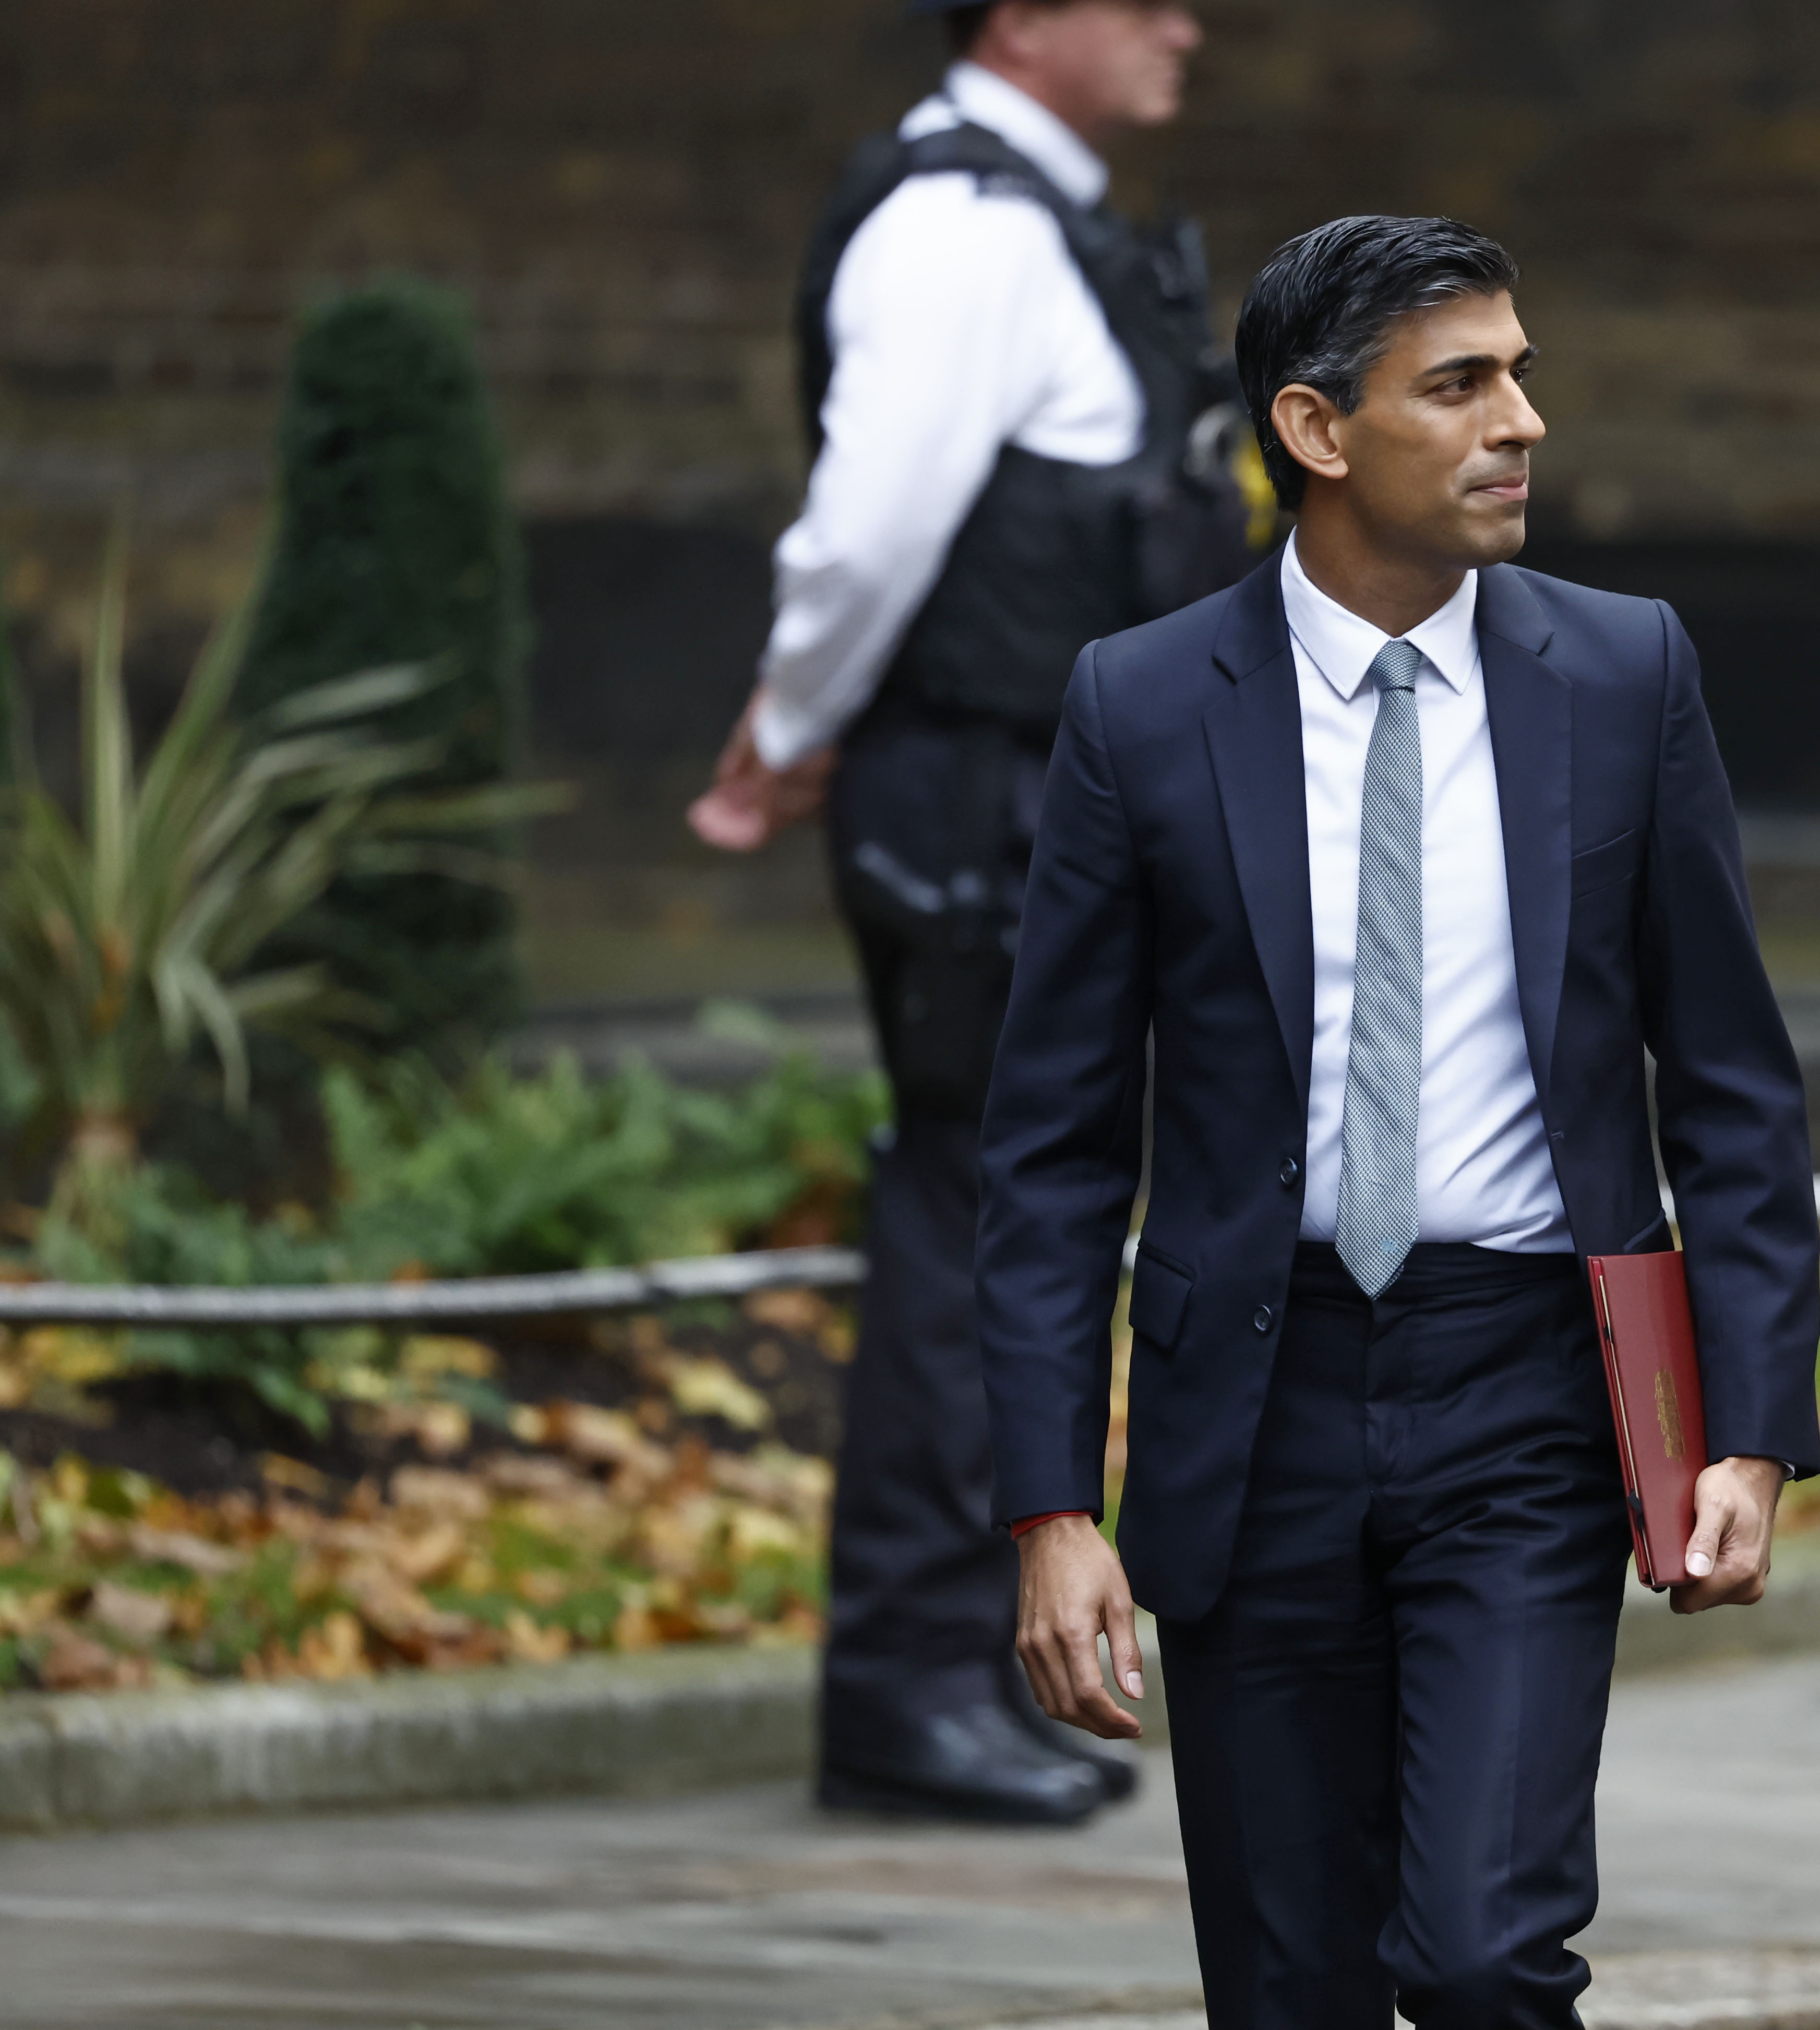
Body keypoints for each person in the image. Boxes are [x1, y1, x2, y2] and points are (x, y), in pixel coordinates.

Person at [976, 217, 1820, 2028]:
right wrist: (1049, 1505)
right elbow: (1048, 1149)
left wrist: (1743, 1432)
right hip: (1247, 1406)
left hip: (1521, 1388)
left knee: (1482, 1955)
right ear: (1316, 431)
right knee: (1292, 1990)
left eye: (1518, 371)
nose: (1522, 420)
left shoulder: (1624, 674)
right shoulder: (1138, 709)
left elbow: (1733, 1084)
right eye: (1461, 384)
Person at [687, 0, 1250, 1827]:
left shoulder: (1049, 223)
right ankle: (909, 1687)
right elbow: (869, 530)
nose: (1186, 20)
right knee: (974, 1227)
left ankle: (963, 1682)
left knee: (1025, 1220)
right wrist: (783, 733)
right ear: (1019, 19)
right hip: (978, 801)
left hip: (1040, 798)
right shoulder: (961, 228)